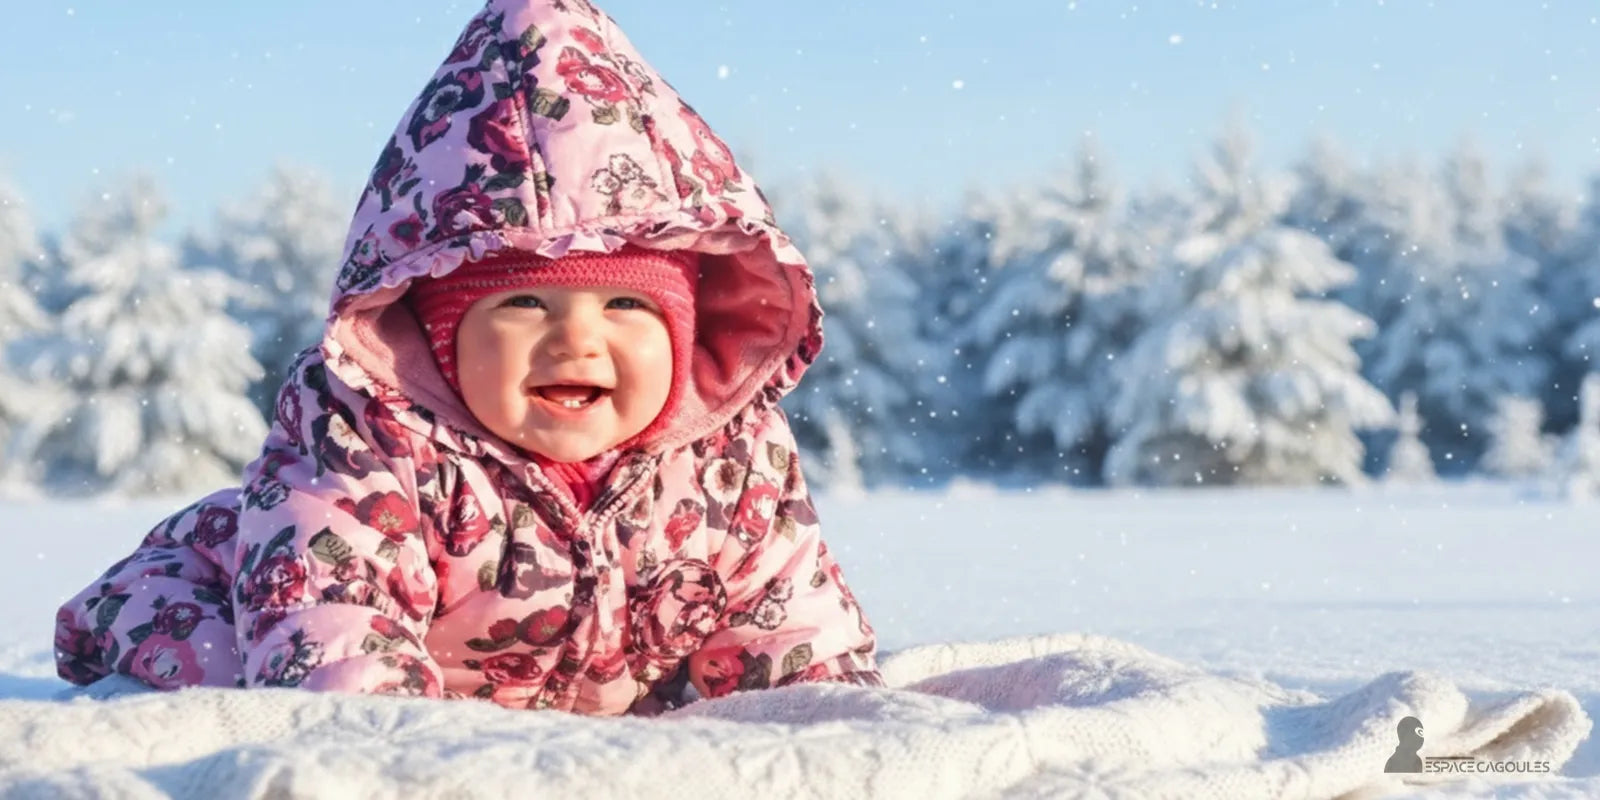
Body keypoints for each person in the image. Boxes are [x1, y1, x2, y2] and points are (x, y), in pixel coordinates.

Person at [52, 0, 882, 716]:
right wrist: (403, 744)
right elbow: (337, 628)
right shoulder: (368, 441)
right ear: (440, 341)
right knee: (249, 683)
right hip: (224, 594)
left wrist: (833, 724)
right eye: (525, 303)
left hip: (547, 688)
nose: (579, 341)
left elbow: (787, 613)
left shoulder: (730, 464)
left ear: (686, 329)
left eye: (627, 305)